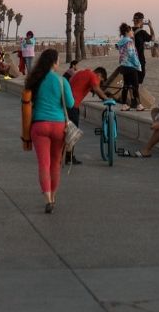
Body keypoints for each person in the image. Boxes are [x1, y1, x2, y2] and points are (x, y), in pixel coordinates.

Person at [26, 47, 74, 213]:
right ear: (54, 62)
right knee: (55, 163)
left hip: (39, 125)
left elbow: (27, 100)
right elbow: (70, 104)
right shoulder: (62, 81)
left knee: (43, 164)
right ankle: (53, 197)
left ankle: (47, 198)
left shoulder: (35, 79)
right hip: (59, 126)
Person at [64, 64, 108, 164]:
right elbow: (97, 89)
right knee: (73, 133)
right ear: (99, 75)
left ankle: (65, 156)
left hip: (65, 104)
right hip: (73, 105)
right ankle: (69, 158)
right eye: (101, 80)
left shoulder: (81, 73)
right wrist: (106, 98)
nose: (99, 82)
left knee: (66, 131)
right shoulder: (93, 75)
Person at [116, 23, 144, 111]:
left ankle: (124, 105)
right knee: (135, 86)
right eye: (131, 30)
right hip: (131, 66)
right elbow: (132, 54)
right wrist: (138, 65)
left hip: (123, 66)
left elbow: (123, 54)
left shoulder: (121, 42)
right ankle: (139, 105)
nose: (132, 32)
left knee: (126, 85)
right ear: (127, 32)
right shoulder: (129, 42)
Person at [132, 12, 155, 86]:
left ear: (134, 20)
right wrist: (150, 26)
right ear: (141, 20)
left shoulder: (128, 31)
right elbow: (153, 38)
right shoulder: (142, 32)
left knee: (130, 82)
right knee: (138, 82)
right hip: (139, 61)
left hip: (129, 60)